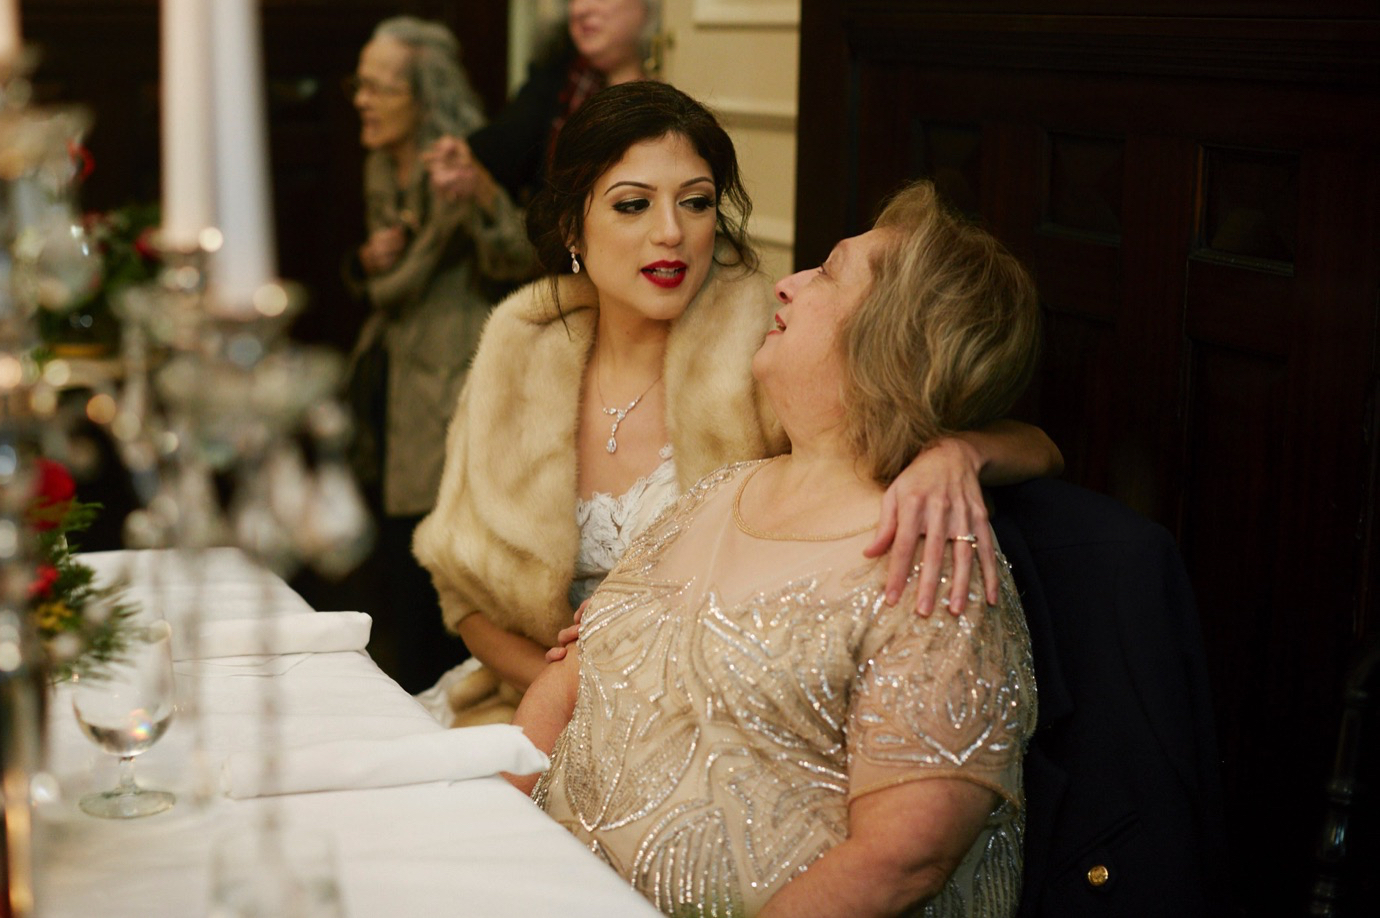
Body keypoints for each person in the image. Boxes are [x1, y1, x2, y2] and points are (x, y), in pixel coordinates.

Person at [415, 87, 1058, 728]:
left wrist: (958, 452)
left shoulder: (770, 350)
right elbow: (461, 592)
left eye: (695, 203)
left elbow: (1033, 445)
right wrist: (565, 691)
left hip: (697, 721)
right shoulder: (519, 346)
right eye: (633, 205)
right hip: (513, 701)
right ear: (572, 228)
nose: (671, 233)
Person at [522, 173, 1041, 917]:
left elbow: (903, 857)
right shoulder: (718, 491)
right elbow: (568, 680)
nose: (790, 282)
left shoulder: (931, 564)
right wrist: (482, 832)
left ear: (895, 335)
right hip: (539, 883)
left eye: (828, 271)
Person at [345, 19, 534, 689]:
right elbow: (382, 276)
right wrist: (372, 260)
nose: (362, 99)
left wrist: (480, 196)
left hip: (450, 383)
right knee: (393, 562)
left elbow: (523, 261)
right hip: (389, 383)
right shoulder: (378, 161)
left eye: (378, 85)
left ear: (422, 94)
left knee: (437, 564)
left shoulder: (459, 158)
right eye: (360, 83)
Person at [433, 0, 663, 214]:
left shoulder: (670, 87)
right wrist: (463, 158)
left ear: (648, 0)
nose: (579, 8)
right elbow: (503, 145)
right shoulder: (559, 77)